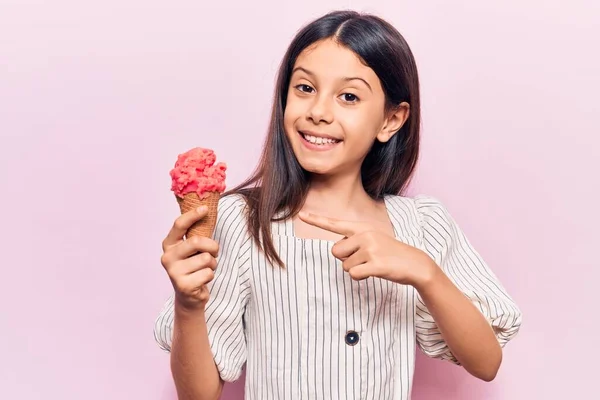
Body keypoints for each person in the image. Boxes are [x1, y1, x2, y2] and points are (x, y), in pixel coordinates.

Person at [153, 9, 522, 400]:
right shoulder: (242, 223)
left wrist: (424, 272)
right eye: (305, 88)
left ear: (391, 119)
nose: (318, 112)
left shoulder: (421, 224)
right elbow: (199, 395)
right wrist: (189, 306)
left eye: (348, 96)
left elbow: (486, 363)